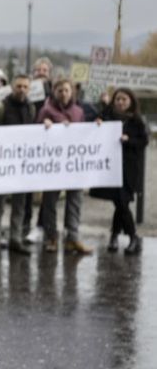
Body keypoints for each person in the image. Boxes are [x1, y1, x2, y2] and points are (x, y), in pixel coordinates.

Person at [36, 79, 93, 255]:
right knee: (50, 202)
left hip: (73, 164)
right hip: (53, 164)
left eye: (66, 90)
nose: (63, 93)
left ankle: (72, 238)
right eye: (60, 90)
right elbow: (34, 134)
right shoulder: (46, 110)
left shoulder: (78, 111)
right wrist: (45, 126)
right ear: (54, 91)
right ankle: (51, 237)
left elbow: (85, 135)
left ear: (72, 92)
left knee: (75, 201)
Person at [0, 74, 37, 255]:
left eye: (25, 87)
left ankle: (15, 238)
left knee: (20, 204)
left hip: (21, 165)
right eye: (18, 86)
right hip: (2, 164)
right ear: (12, 88)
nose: (22, 90)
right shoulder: (0, 108)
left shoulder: (31, 109)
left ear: (29, 89)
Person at [93, 88, 149, 255]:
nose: (120, 102)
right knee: (120, 203)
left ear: (131, 101)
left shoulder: (136, 121)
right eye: (118, 99)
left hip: (129, 170)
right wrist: (98, 122)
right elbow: (97, 121)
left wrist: (129, 140)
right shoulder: (108, 116)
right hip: (111, 169)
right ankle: (123, 237)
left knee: (122, 203)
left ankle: (128, 237)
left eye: (124, 99)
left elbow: (143, 141)